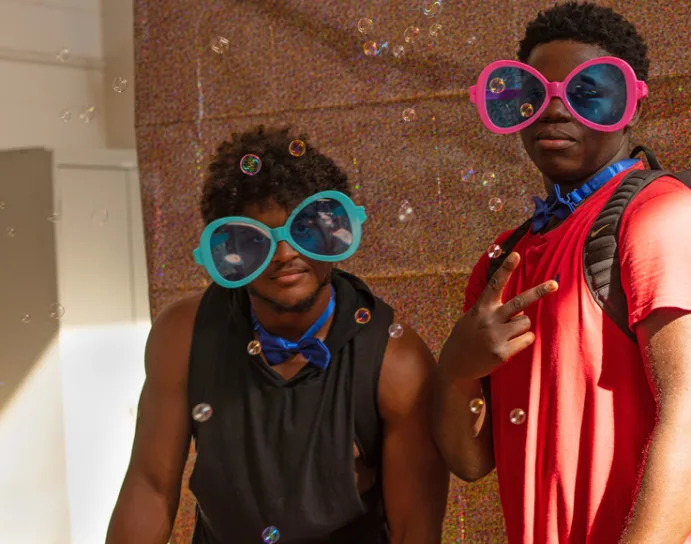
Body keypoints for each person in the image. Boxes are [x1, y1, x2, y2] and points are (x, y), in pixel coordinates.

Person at [431, 3, 691, 543]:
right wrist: (456, 366)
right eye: (534, 95)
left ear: (630, 108)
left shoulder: (663, 217)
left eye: (587, 92)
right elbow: (468, 461)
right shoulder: (503, 258)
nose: (554, 112)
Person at [107, 125, 448, 544]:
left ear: (335, 232)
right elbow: (150, 486)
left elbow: (414, 531)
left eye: (305, 230)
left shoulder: (396, 362)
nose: (285, 255)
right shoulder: (184, 333)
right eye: (256, 241)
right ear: (227, 253)